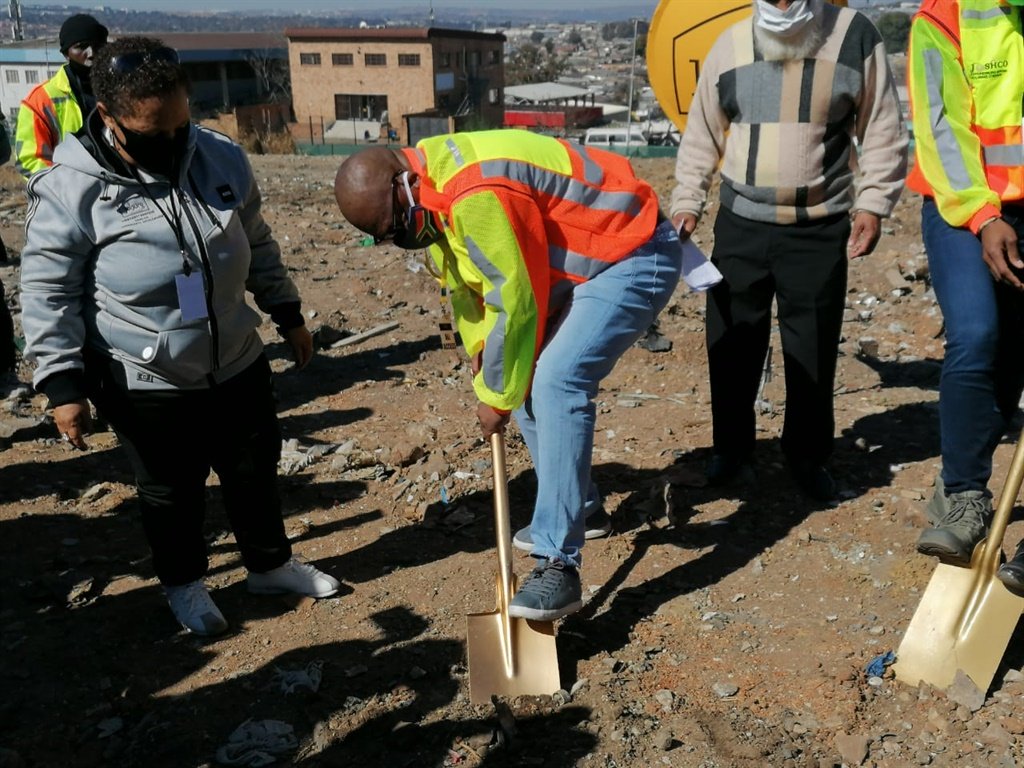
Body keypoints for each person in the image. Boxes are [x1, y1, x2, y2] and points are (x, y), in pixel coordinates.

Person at [19, 36, 340, 637]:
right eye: (149, 132)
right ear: (109, 119)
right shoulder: (70, 188)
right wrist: (61, 380)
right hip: (145, 373)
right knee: (171, 488)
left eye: (178, 125)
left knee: (253, 466)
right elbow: (47, 292)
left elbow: (256, 239)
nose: (169, 143)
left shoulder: (219, 157)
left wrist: (286, 311)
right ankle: (185, 585)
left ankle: (270, 565)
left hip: (236, 356)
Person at [333, 130, 682, 620]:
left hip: (632, 251)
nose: (400, 244)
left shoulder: (472, 193)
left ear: (404, 183)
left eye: (397, 229)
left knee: (556, 380)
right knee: (519, 376)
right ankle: (580, 507)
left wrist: (495, 395)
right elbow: (466, 287)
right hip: (585, 260)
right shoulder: (429, 201)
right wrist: (483, 359)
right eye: (387, 238)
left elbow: (515, 301)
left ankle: (558, 563)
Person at [669, 0, 907, 501]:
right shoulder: (730, 42)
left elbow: (883, 126)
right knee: (732, 342)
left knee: (813, 347)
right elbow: (702, 134)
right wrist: (688, 200)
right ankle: (730, 450)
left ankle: (807, 455)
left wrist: (874, 203)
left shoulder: (853, 34)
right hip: (741, 226)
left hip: (817, 228)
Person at [907, 0, 1024, 585]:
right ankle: (963, 493)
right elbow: (940, 128)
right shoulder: (945, 15)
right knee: (977, 334)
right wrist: (984, 217)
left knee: (1014, 358)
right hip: (962, 204)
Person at [14, 13, 108, 179]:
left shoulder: (123, 88)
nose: (91, 53)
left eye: (97, 45)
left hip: (124, 189)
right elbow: (29, 160)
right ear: (66, 54)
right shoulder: (40, 100)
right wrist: (68, 184)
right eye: (81, 46)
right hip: (68, 196)